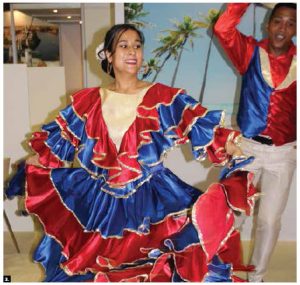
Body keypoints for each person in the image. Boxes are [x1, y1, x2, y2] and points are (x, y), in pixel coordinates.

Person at [7, 23, 256, 282]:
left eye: (137, 45)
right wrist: (31, 165)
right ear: (109, 56)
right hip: (100, 204)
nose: (132, 51)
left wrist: (228, 143)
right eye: (123, 46)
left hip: (154, 200)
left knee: (158, 267)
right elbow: (59, 142)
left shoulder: (163, 97)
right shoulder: (88, 100)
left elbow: (196, 122)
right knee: (98, 270)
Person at [214, 3, 296, 282]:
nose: (283, 29)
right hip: (245, 148)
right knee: (231, 214)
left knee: (269, 221)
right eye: (278, 21)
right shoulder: (249, 52)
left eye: (290, 23)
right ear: (268, 24)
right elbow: (222, 27)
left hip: (283, 154)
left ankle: (256, 278)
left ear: (296, 29)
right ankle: (220, 271)